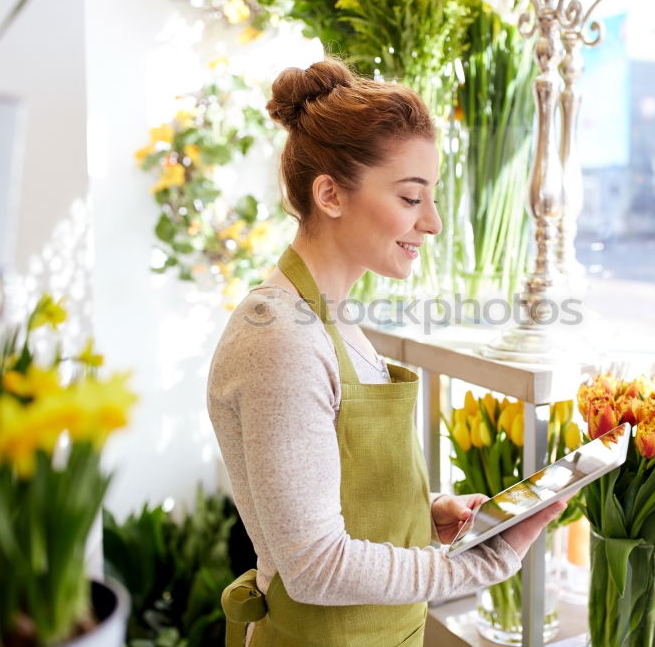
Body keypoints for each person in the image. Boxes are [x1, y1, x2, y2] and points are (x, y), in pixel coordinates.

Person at [207, 59, 566, 647]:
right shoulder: (279, 337)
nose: (433, 222)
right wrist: (479, 565)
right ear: (329, 194)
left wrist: (420, 513)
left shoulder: (329, 315)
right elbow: (315, 563)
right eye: (409, 198)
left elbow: (325, 482)